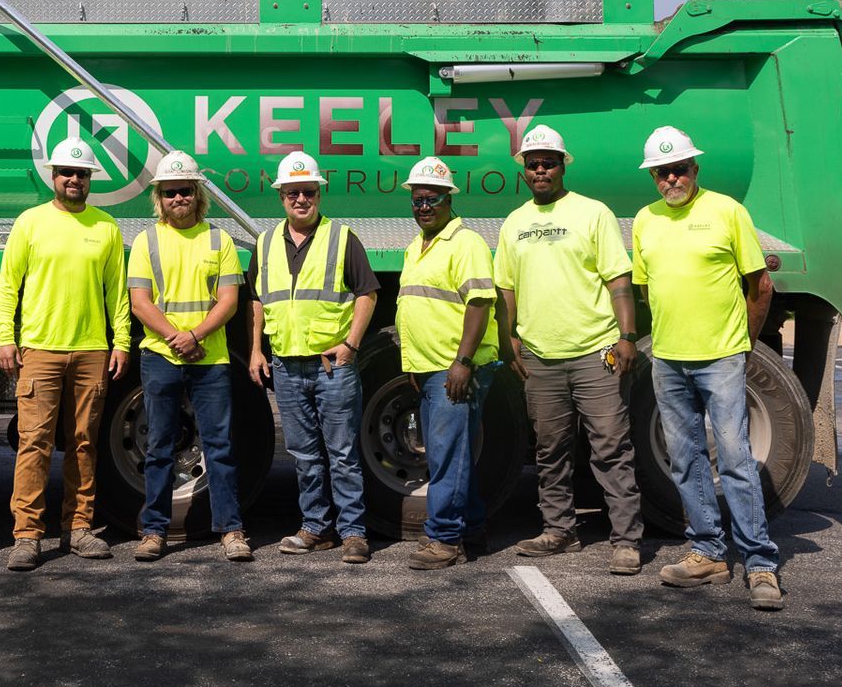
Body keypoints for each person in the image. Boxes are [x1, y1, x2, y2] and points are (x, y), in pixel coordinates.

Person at [630, 126, 785, 611]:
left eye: (680, 168)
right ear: (653, 176)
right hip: (669, 359)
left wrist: (743, 345)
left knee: (736, 459)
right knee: (686, 459)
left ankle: (760, 563)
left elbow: (760, 287)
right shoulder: (644, 220)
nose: (672, 177)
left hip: (720, 357)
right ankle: (708, 553)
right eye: (663, 171)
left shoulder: (727, 211)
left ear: (696, 169)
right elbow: (645, 287)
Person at [495, 125, 645, 575]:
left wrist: (628, 336)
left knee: (611, 447)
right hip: (541, 356)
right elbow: (505, 288)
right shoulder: (515, 223)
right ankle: (559, 531)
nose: (541, 169)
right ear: (524, 170)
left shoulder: (593, 213)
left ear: (564, 165)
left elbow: (619, 280)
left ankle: (626, 541)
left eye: (549, 162)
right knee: (550, 448)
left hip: (595, 353)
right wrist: (511, 339)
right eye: (533, 163)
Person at [0, 136, 132, 571]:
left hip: (92, 349)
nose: (74, 179)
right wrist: (5, 337)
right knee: (33, 443)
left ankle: (79, 529)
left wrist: (122, 341)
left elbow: (118, 293)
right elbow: (9, 286)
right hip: (40, 349)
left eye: (82, 174)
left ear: (91, 180)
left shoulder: (106, 227)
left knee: (85, 443)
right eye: (67, 172)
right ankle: (27, 535)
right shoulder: (29, 223)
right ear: (52, 176)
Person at [246, 152, 379, 565]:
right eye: (292, 193)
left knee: (341, 453)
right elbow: (256, 300)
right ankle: (316, 528)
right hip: (286, 365)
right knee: (304, 455)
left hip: (330, 365)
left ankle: (354, 532)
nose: (301, 199)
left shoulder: (341, 237)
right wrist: (255, 350)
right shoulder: (266, 242)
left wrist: (351, 345)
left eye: (308, 192)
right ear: (281, 197)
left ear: (319, 193)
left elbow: (367, 293)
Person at [126, 151, 251, 562]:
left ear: (198, 196)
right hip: (161, 356)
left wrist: (194, 335)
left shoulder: (220, 240)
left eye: (185, 191)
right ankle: (155, 531)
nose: (178, 198)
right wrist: (176, 337)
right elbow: (140, 302)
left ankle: (231, 531)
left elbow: (229, 301)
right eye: (170, 192)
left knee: (219, 446)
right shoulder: (146, 241)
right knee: (159, 446)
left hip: (209, 356)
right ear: (158, 199)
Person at [396, 156, 503, 570]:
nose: (424, 207)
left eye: (432, 199)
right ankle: (471, 525)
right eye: (418, 200)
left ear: (448, 199)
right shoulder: (416, 245)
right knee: (453, 453)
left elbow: (479, 304)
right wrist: (412, 361)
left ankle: (444, 539)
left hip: (454, 368)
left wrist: (462, 362)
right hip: (429, 365)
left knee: (446, 455)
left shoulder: (465, 242)